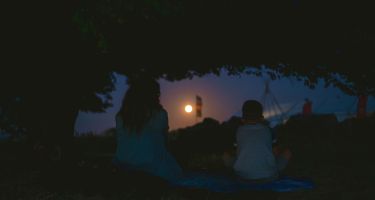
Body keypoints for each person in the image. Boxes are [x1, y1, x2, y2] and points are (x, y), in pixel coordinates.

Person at [112, 77, 183, 182]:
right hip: (152, 166)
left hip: (123, 162)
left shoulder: (120, 116)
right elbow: (164, 142)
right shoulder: (160, 114)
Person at [232, 100, 291, 182]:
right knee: (287, 152)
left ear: (243, 117)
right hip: (269, 176)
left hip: (242, 176)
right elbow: (275, 152)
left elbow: (236, 152)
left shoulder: (238, 130)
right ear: (261, 117)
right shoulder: (268, 130)